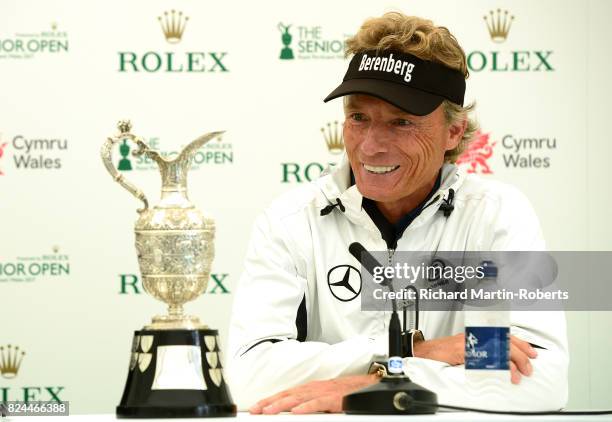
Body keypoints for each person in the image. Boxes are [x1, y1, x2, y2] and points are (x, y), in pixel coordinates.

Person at [227, 12, 568, 414]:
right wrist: (416, 351)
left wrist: (373, 383)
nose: (370, 147)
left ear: (453, 132)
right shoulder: (290, 219)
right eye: (358, 118)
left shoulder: (497, 216)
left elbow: (540, 379)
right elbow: (248, 378)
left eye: (401, 122)